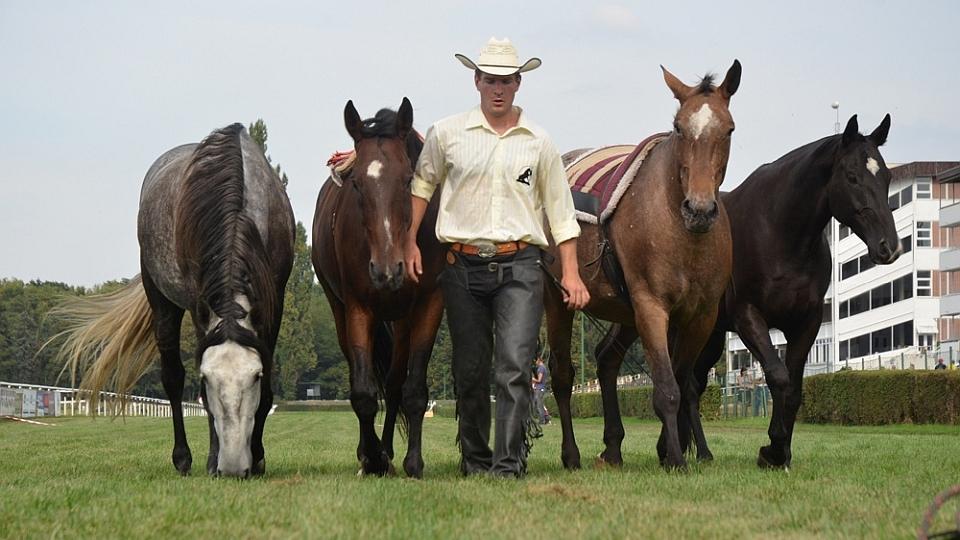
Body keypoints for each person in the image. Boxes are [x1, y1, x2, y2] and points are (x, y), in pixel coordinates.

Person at [404, 37, 589, 478]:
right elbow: (421, 187)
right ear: (476, 81)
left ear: (519, 83)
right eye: (490, 80)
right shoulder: (446, 134)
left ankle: (507, 466)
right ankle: (475, 461)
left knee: (513, 367)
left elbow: (561, 212)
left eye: (506, 80)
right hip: (460, 268)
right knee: (469, 372)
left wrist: (572, 271)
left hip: (521, 267)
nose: (498, 89)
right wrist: (409, 241)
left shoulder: (539, 142)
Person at [531, 356, 549, 425]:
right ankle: (546, 418)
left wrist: (531, 378)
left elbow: (539, 380)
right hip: (539, 388)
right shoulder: (541, 368)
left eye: (536, 361)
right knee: (538, 404)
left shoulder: (541, 368)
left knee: (539, 405)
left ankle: (542, 421)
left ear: (539, 360)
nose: (535, 363)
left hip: (540, 388)